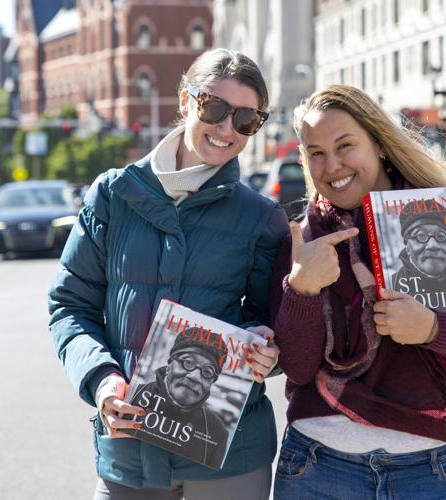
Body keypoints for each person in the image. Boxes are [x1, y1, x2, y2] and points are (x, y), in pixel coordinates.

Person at [48, 48, 288, 500]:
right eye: (214, 108)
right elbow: (69, 305)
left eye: (245, 120)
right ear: (185, 101)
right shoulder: (112, 196)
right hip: (128, 452)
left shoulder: (262, 219)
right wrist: (101, 379)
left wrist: (267, 351)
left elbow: (276, 325)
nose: (225, 129)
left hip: (229, 458)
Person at [269, 84, 446, 499]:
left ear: (379, 144)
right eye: (316, 153)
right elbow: (297, 369)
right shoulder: (302, 244)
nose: (332, 165)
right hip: (319, 468)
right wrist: (302, 290)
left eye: (345, 145)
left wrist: (432, 328)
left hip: (438, 470)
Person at [130, 330, 230, 469]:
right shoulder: (132, 397)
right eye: (188, 362)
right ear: (170, 364)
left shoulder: (216, 432)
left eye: (207, 372)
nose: (195, 377)